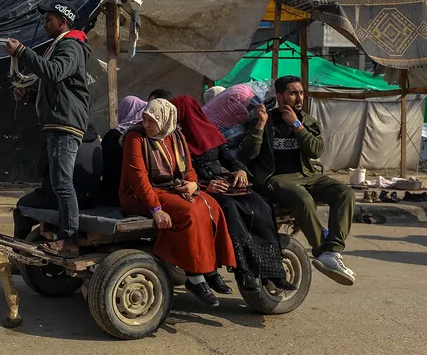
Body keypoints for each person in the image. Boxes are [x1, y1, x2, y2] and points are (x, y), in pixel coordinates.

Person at [240, 75, 356, 285]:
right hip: (275, 178)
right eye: (293, 93)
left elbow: (316, 150)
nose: (299, 97)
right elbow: (248, 154)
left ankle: (333, 251)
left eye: (301, 92)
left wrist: (296, 125)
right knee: (302, 198)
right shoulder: (265, 119)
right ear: (280, 96)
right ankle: (321, 250)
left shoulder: (307, 121)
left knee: (345, 193)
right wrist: (260, 125)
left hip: (307, 175)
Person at [171, 96, 295, 293]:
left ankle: (274, 272)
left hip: (226, 183)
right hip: (203, 189)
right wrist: (204, 185)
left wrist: (241, 171)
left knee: (260, 205)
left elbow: (228, 158)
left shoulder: (209, 131)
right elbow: (176, 175)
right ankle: (243, 271)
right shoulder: (175, 140)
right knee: (230, 209)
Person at [119, 99, 236, 306]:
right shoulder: (136, 138)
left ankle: (209, 269)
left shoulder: (176, 136)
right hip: (142, 195)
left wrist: (193, 185)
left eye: (151, 121)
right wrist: (155, 209)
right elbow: (139, 179)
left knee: (212, 206)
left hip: (171, 190)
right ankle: (194, 277)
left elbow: (189, 170)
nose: (146, 124)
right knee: (190, 212)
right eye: (145, 119)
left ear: (166, 121)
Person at [6, 0, 91, 253]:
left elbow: (54, 73)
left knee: (63, 183)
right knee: (58, 183)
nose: (45, 25)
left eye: (49, 20)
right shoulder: (59, 46)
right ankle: (61, 232)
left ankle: (69, 239)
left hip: (66, 124)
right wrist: (29, 95)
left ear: (62, 22)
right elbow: (55, 86)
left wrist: (21, 52)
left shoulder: (71, 46)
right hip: (58, 122)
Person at [14, 123, 102, 241]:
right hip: (91, 200)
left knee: (21, 206)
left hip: (58, 198)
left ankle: (19, 250)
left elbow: (40, 170)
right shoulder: (96, 141)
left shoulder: (59, 137)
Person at [100, 96, 147, 206]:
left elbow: (106, 167)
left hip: (115, 194)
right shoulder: (146, 134)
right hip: (139, 194)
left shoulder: (113, 136)